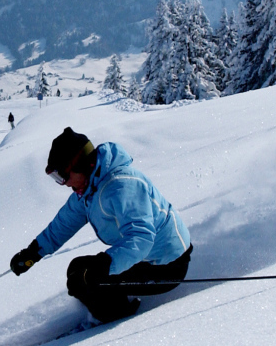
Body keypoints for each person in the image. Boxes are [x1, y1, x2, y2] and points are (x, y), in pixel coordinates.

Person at [10, 127, 192, 324]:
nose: (63, 184)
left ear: (79, 164)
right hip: (148, 258)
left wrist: (104, 265)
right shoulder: (89, 188)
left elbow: (141, 238)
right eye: (56, 178)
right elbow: (63, 223)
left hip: (168, 265)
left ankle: (115, 322)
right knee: (79, 270)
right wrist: (33, 252)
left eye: (62, 175)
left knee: (88, 278)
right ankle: (112, 308)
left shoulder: (122, 186)